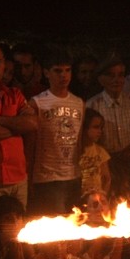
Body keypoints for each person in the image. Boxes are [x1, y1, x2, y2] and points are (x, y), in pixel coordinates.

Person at [0, 41, 38, 226]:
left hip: (18, 177)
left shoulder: (14, 94)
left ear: (4, 64)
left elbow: (33, 123)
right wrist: (16, 126)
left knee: (18, 232)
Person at [28, 47, 84, 216]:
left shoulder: (78, 102)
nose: (64, 75)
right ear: (47, 72)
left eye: (67, 70)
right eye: (58, 71)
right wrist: (29, 176)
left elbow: (79, 141)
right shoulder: (38, 102)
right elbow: (31, 143)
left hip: (73, 175)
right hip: (47, 177)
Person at [86, 55, 130, 204]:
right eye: (110, 75)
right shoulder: (92, 105)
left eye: (120, 75)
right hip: (106, 165)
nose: (116, 80)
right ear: (100, 79)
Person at [79, 108, 111, 196]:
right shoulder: (75, 151)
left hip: (96, 197)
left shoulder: (100, 151)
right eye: (95, 127)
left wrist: (103, 195)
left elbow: (107, 178)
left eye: (101, 128)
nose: (99, 131)